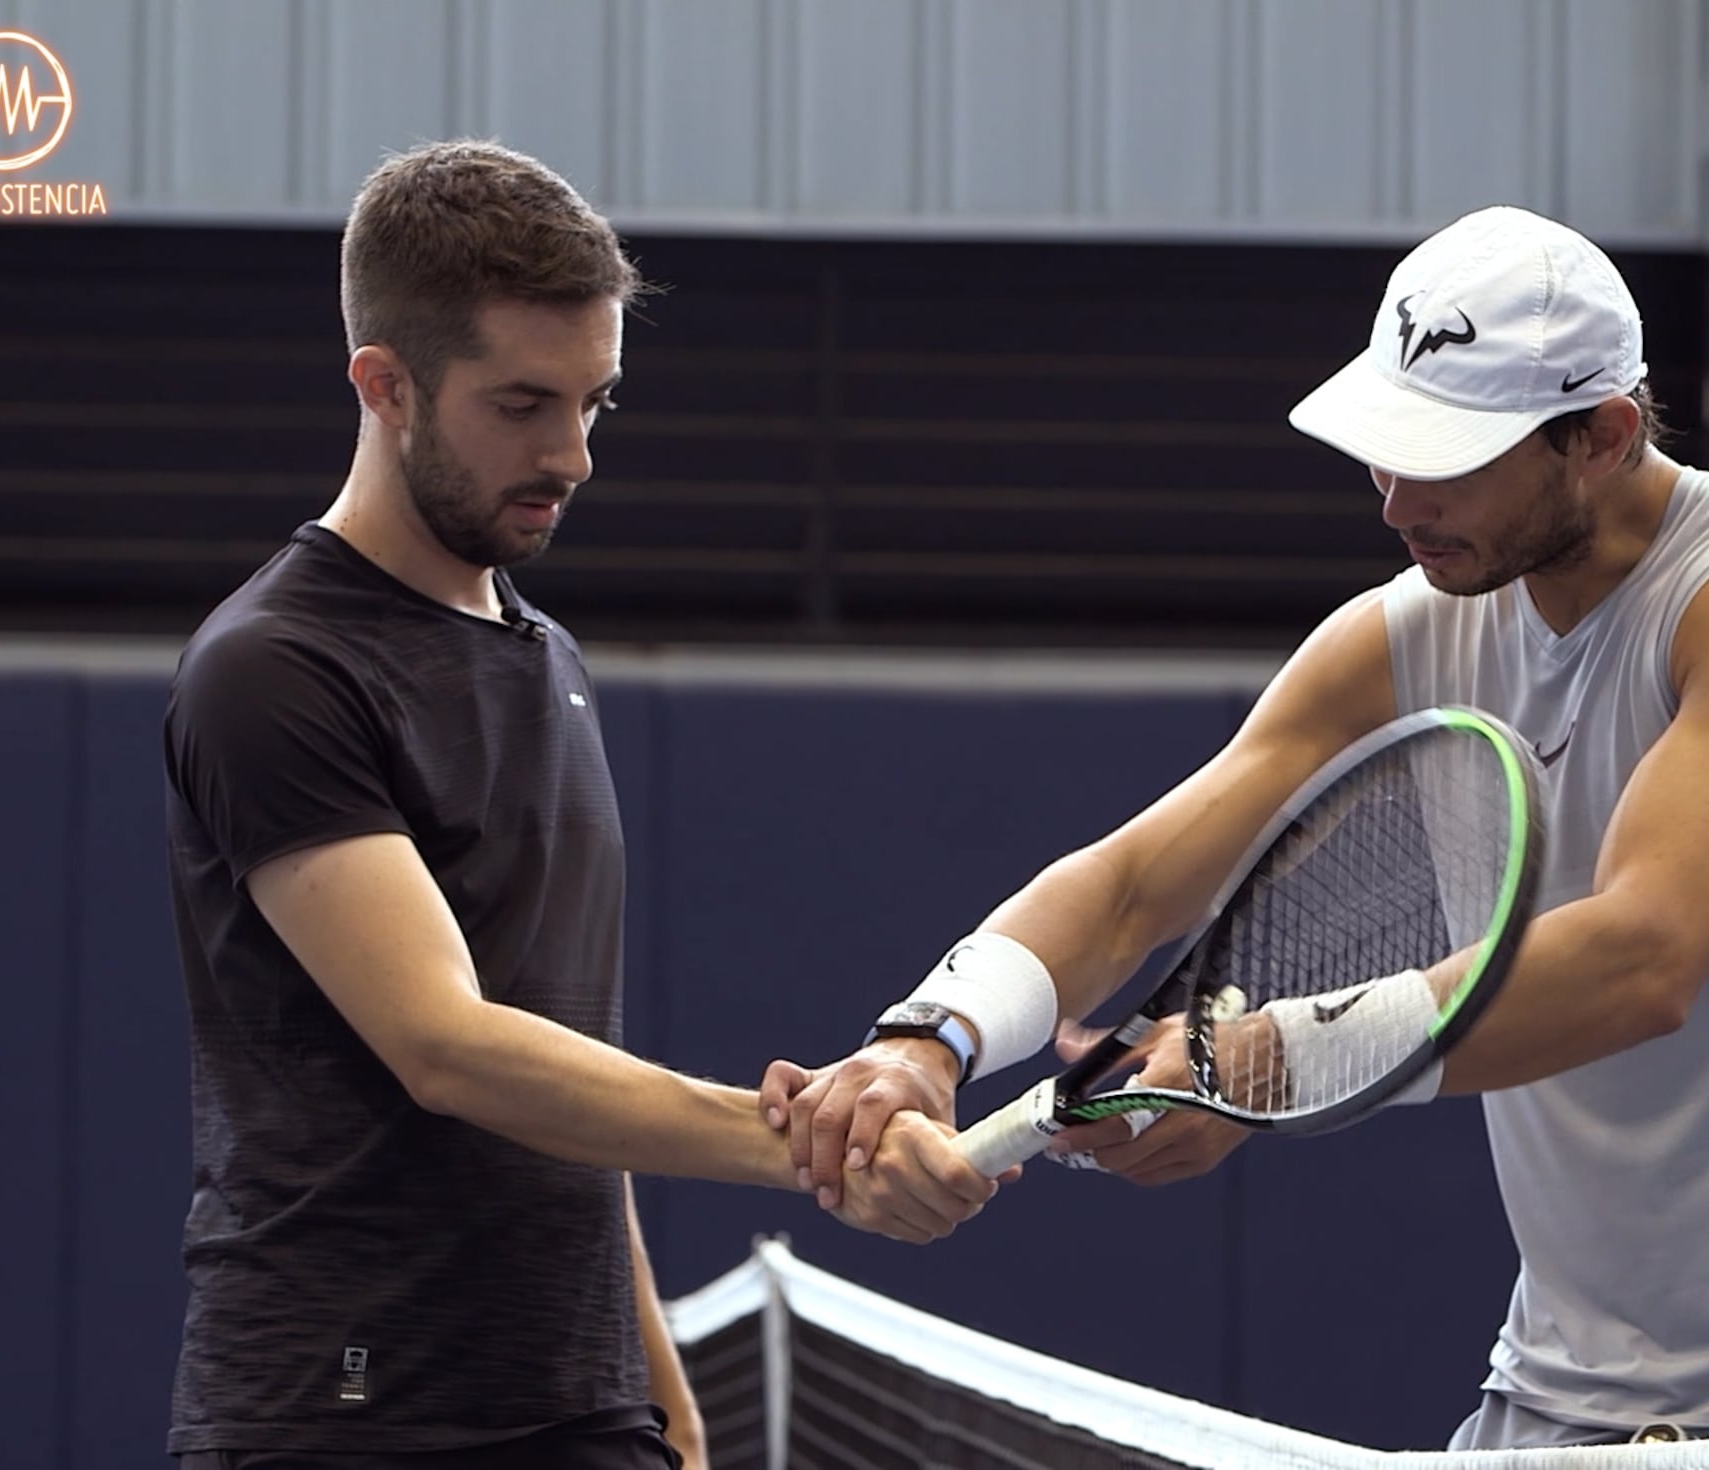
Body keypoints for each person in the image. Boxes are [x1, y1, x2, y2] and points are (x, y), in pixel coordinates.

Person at [760, 204, 1709, 1450]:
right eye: (1385, 449)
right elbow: (1131, 888)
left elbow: (1643, 957)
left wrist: (1270, 1061)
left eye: (1448, 459)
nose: (1394, 500)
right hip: (1561, 1398)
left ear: (1604, 437)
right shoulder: (1405, 630)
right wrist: (926, 1043)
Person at [160, 140, 997, 1470]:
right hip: (343, 1416)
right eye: (522, 404)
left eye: (594, 402)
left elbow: (559, 1058)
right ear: (385, 386)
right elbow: (449, 1047)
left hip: (581, 1405)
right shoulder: (275, 670)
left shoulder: (546, 656)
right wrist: (806, 1141)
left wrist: (657, 1386)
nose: (571, 454)